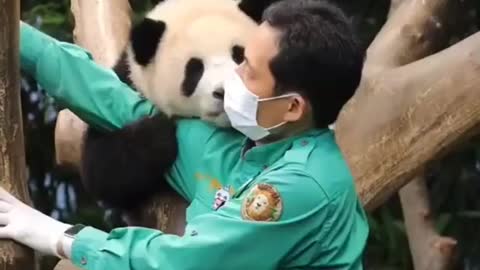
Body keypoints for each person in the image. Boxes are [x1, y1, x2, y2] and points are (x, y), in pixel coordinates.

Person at [0, 0, 369, 269]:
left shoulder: (299, 187)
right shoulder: (238, 144)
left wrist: (57, 235)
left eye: (248, 68)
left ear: (291, 107)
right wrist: (17, 38)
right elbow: (117, 102)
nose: (230, 79)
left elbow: (184, 264)